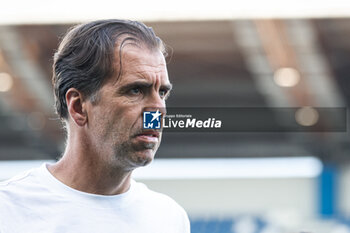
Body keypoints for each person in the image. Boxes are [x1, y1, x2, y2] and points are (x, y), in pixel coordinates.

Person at [0, 19, 190, 233]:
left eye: (162, 92)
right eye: (136, 90)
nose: (158, 110)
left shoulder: (168, 218)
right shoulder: (9, 210)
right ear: (79, 106)